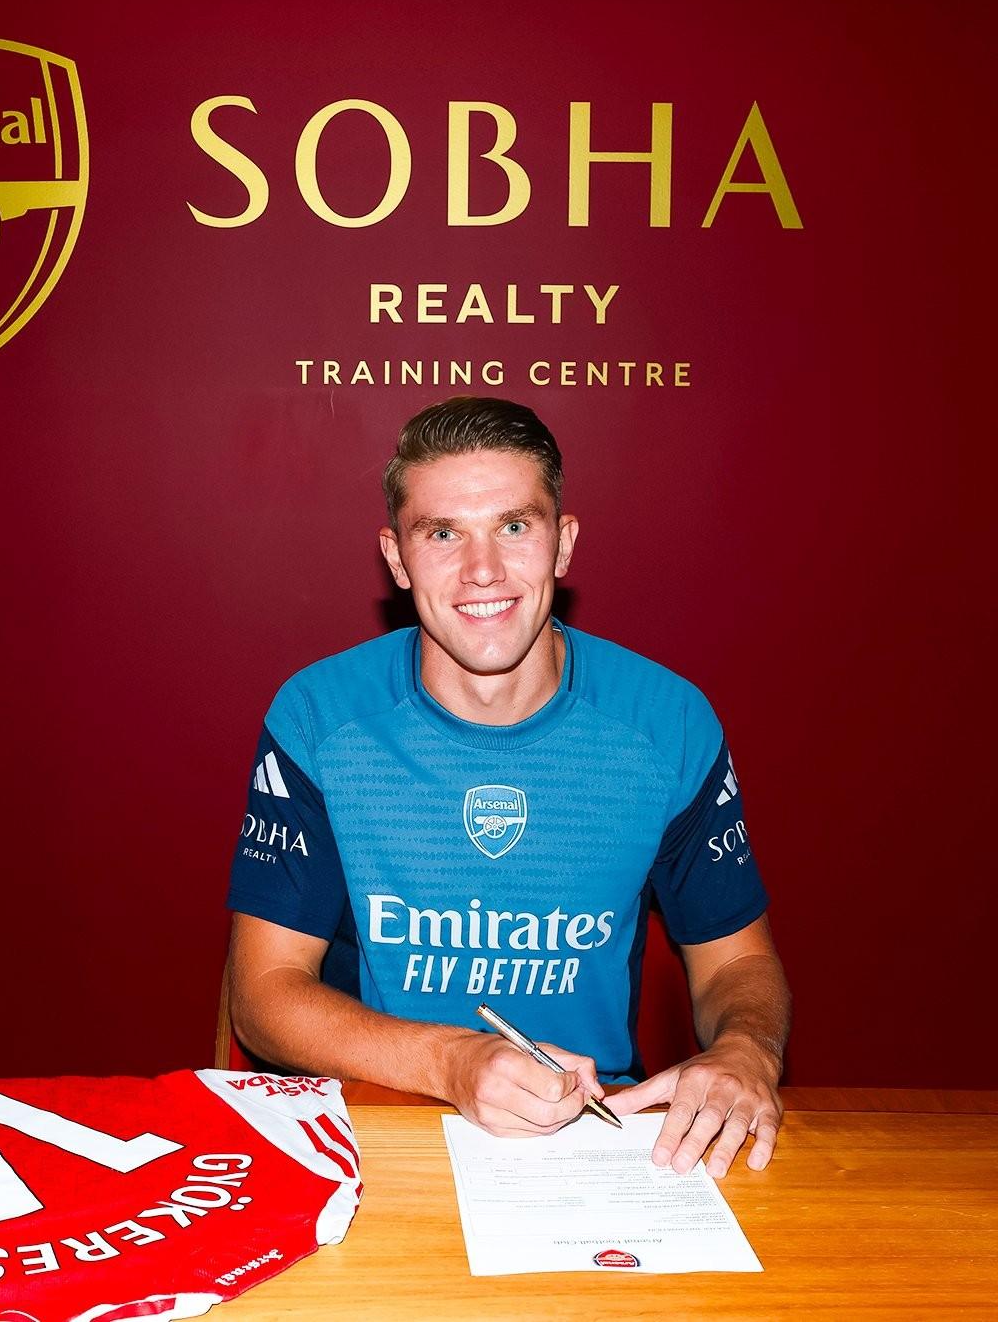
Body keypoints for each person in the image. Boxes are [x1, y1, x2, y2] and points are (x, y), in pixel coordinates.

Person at [226, 397, 790, 1178]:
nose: (482, 570)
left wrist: (745, 1050)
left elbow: (734, 964)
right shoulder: (319, 717)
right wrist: (453, 1061)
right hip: (379, 1130)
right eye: (443, 534)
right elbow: (262, 993)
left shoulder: (667, 722)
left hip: (598, 1140)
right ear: (397, 559)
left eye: (514, 526)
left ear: (563, 543)